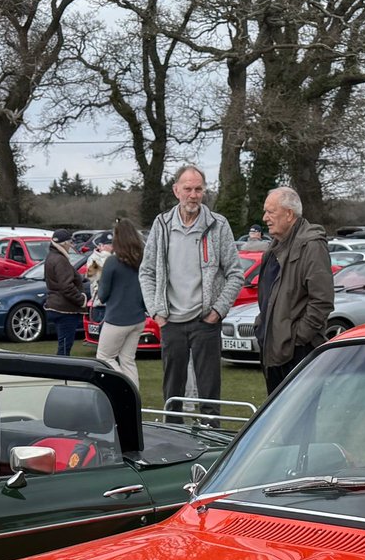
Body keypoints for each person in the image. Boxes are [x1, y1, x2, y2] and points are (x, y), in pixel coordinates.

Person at [138, 164, 242, 419]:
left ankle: (211, 448)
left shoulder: (218, 225)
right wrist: (156, 312)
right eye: (188, 189)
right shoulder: (161, 225)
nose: (193, 195)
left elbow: (235, 274)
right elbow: (146, 272)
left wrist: (217, 311)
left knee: (209, 399)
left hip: (205, 323)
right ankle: (173, 447)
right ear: (176, 191)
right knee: (172, 398)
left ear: (204, 191)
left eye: (198, 189)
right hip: (171, 322)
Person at [255, 187, 334, 395]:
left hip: (297, 354)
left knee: (301, 423)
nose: (265, 218)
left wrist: (296, 339)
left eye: (271, 212)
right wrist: (261, 327)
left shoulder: (311, 246)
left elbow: (322, 301)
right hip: (274, 353)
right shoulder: (274, 249)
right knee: (275, 422)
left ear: (289, 214)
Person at [92, 219, 147, 389]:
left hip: (117, 319)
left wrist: (99, 281)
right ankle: (133, 398)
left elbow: (103, 295)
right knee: (128, 360)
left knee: (104, 357)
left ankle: (124, 388)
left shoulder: (112, 262)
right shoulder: (142, 260)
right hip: (138, 318)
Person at [43, 226, 86, 356]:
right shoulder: (61, 260)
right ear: (65, 243)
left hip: (55, 305)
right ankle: (62, 374)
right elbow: (66, 286)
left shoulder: (51, 257)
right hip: (65, 309)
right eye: (70, 242)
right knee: (65, 347)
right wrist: (81, 300)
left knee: (63, 344)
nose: (71, 245)